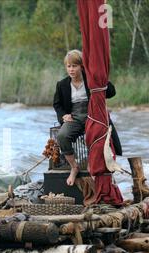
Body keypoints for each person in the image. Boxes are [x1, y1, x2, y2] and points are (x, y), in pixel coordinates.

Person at [53, 49, 122, 186]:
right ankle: (74, 167)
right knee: (62, 136)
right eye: (69, 66)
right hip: (75, 117)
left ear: (82, 66)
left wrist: (101, 79)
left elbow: (111, 92)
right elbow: (57, 104)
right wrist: (63, 116)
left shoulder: (92, 80)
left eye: (74, 66)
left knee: (95, 136)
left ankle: (94, 166)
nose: (71, 69)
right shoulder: (62, 85)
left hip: (94, 116)